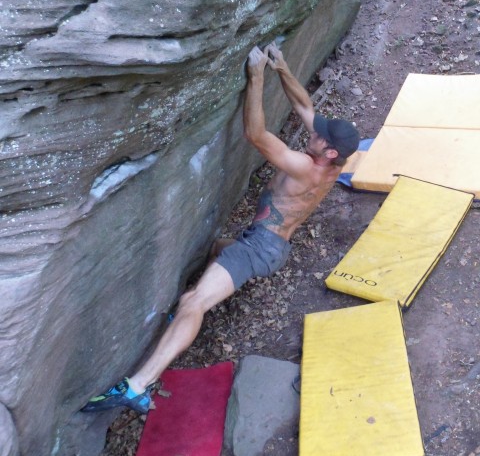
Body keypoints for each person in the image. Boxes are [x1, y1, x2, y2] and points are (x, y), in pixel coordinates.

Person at [82, 42, 359, 413]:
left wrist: (257, 77)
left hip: (259, 248)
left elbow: (256, 135)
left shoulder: (306, 168)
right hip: (265, 245)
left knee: (192, 302)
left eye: (320, 135)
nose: (315, 130)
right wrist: (283, 67)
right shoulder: (330, 159)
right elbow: (305, 106)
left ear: (328, 153)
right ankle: (182, 319)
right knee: (216, 250)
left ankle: (137, 385)